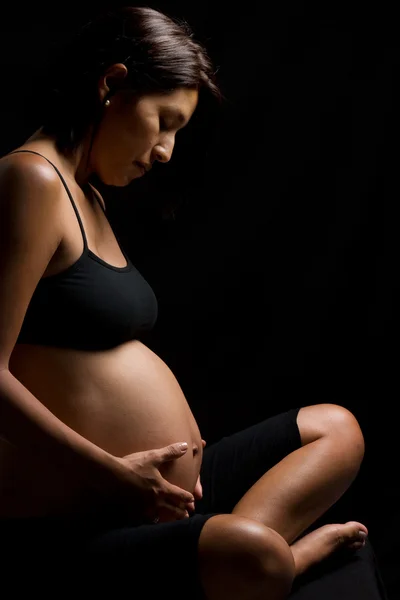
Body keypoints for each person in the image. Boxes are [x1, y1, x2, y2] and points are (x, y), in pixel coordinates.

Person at [0, 6, 368, 599]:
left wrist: (147, 486)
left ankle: (239, 558)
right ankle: (276, 562)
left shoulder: (86, 193)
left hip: (153, 497)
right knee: (252, 554)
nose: (167, 150)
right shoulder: (31, 181)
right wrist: (115, 478)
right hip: (78, 519)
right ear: (111, 84)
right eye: (164, 121)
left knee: (336, 429)